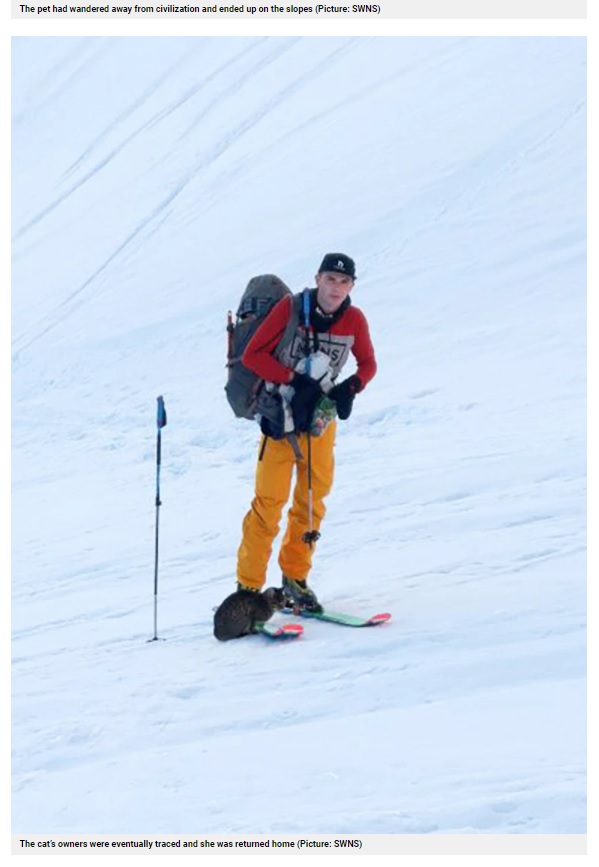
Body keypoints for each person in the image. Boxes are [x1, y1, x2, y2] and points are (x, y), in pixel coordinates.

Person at [235, 253, 377, 612]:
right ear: (317, 279)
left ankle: (295, 579)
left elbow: (369, 363)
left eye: (344, 282)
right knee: (269, 504)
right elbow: (254, 356)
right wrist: (295, 381)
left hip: (319, 421)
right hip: (280, 417)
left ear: (352, 287)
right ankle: (248, 590)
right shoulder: (290, 309)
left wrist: (352, 387)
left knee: (312, 504)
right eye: (330, 279)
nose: (336, 288)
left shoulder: (355, 320)